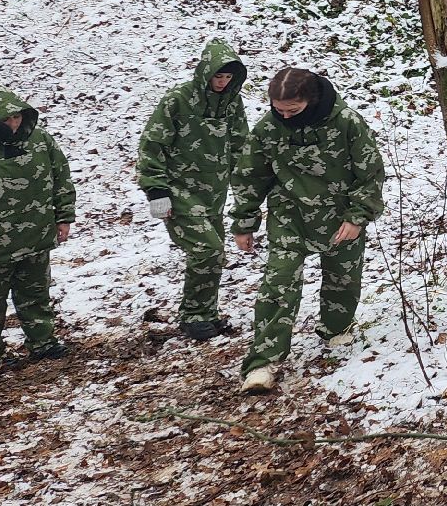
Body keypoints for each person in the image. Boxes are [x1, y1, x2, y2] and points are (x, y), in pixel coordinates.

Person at [229, 67, 384, 394]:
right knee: (278, 282)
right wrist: (244, 222)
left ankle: (336, 332)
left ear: (311, 101)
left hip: (340, 216)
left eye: (292, 110)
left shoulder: (346, 123)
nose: (284, 116)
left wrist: (357, 217)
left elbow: (370, 175)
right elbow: (249, 176)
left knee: (343, 279)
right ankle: (262, 362)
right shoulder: (269, 129)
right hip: (290, 216)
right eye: (278, 109)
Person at [138, 38, 249, 341]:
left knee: (213, 254)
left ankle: (204, 314)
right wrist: (156, 189)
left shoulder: (232, 102)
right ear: (205, 72)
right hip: (179, 192)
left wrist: (249, 186)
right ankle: (194, 316)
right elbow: (153, 144)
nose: (222, 82)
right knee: (208, 250)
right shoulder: (178, 99)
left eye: (228, 77)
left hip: (214, 193)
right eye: (218, 76)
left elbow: (241, 146)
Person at [0, 87, 75, 375]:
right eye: (6, 119)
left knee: (36, 295)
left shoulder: (40, 140)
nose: (14, 124)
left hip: (36, 238)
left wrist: (64, 216)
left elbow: (61, 177)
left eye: (17, 116)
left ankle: (42, 342)